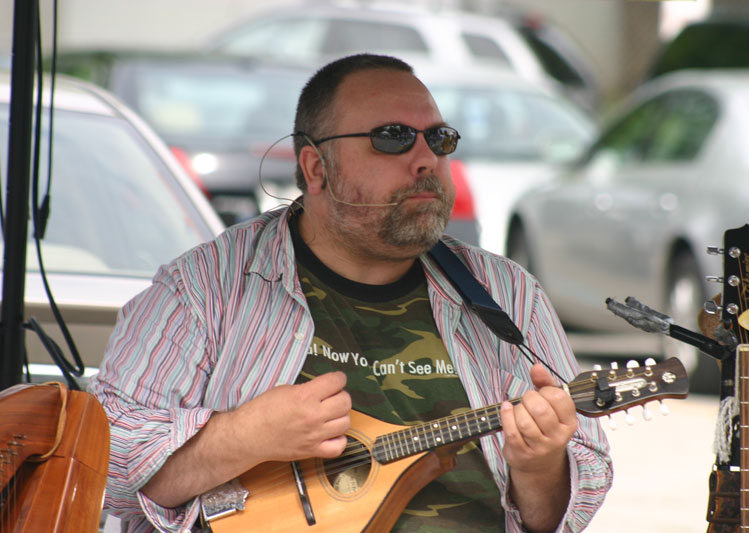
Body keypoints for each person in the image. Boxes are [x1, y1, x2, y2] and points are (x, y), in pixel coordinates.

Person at [89, 53, 612, 533]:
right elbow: (101, 462)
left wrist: (540, 468)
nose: (426, 159)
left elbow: (568, 505)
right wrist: (241, 436)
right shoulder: (204, 288)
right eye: (392, 137)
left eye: (440, 138)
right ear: (317, 169)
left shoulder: (508, 295)